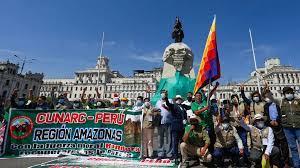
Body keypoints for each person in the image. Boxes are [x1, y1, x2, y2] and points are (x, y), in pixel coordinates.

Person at [263, 90, 290, 167]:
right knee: (275, 145)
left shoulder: (278, 103)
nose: (267, 98)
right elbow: (265, 116)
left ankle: (286, 162)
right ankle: (277, 162)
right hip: (271, 127)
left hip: (279, 126)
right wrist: (269, 121)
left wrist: (277, 121)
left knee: (284, 146)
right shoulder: (266, 106)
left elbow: (283, 114)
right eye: (266, 97)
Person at [192, 82, 219, 153]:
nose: (198, 97)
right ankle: (205, 154)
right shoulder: (193, 104)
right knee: (206, 140)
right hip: (202, 126)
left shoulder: (205, 101)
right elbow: (196, 112)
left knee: (212, 139)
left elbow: (210, 94)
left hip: (210, 124)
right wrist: (205, 108)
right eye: (197, 96)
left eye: (199, 96)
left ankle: (212, 153)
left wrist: (215, 87)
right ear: (195, 97)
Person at [280, 86, 300, 168]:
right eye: (286, 93)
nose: (289, 94)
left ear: (293, 93)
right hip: (288, 128)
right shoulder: (281, 102)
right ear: (284, 94)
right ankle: (297, 164)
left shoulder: (298, 101)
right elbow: (270, 98)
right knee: (293, 147)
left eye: (290, 92)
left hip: (299, 127)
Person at [229, 94, 250, 165]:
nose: (234, 100)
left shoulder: (243, 105)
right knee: (234, 144)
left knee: (244, 143)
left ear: (238, 99)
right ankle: (235, 161)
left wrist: (245, 119)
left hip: (242, 127)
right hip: (234, 128)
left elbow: (248, 113)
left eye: (235, 98)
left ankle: (246, 160)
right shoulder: (230, 107)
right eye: (233, 99)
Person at [165, 95, 187, 163]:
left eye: (180, 99)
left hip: (182, 126)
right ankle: (175, 157)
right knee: (175, 142)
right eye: (177, 99)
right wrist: (166, 98)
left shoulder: (183, 106)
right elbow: (168, 104)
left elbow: (188, 109)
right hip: (175, 126)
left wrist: (185, 119)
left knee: (182, 142)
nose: (179, 100)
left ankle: (182, 156)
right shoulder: (173, 106)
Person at [155, 90, 173, 159]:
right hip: (160, 122)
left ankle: (169, 153)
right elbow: (156, 110)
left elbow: (171, 109)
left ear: (166, 94)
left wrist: (166, 106)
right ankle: (160, 153)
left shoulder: (170, 101)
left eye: (164, 93)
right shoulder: (158, 102)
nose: (163, 95)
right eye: (162, 93)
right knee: (160, 138)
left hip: (168, 122)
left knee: (168, 138)